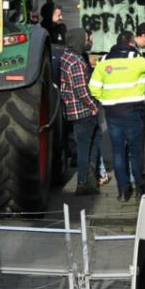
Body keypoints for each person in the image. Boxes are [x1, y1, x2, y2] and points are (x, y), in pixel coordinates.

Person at [89, 30, 145, 202]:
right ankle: (139, 189)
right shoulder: (136, 59)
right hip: (133, 112)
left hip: (112, 113)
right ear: (132, 43)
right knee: (136, 153)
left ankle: (123, 191)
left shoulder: (103, 61)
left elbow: (93, 87)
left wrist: (106, 101)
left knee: (118, 152)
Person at [58, 28, 101, 196]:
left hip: (73, 110)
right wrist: (93, 106)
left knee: (86, 145)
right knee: (86, 147)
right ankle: (84, 182)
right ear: (78, 40)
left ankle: (88, 180)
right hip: (83, 111)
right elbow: (81, 90)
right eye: (87, 38)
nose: (89, 41)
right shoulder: (76, 62)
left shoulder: (66, 56)